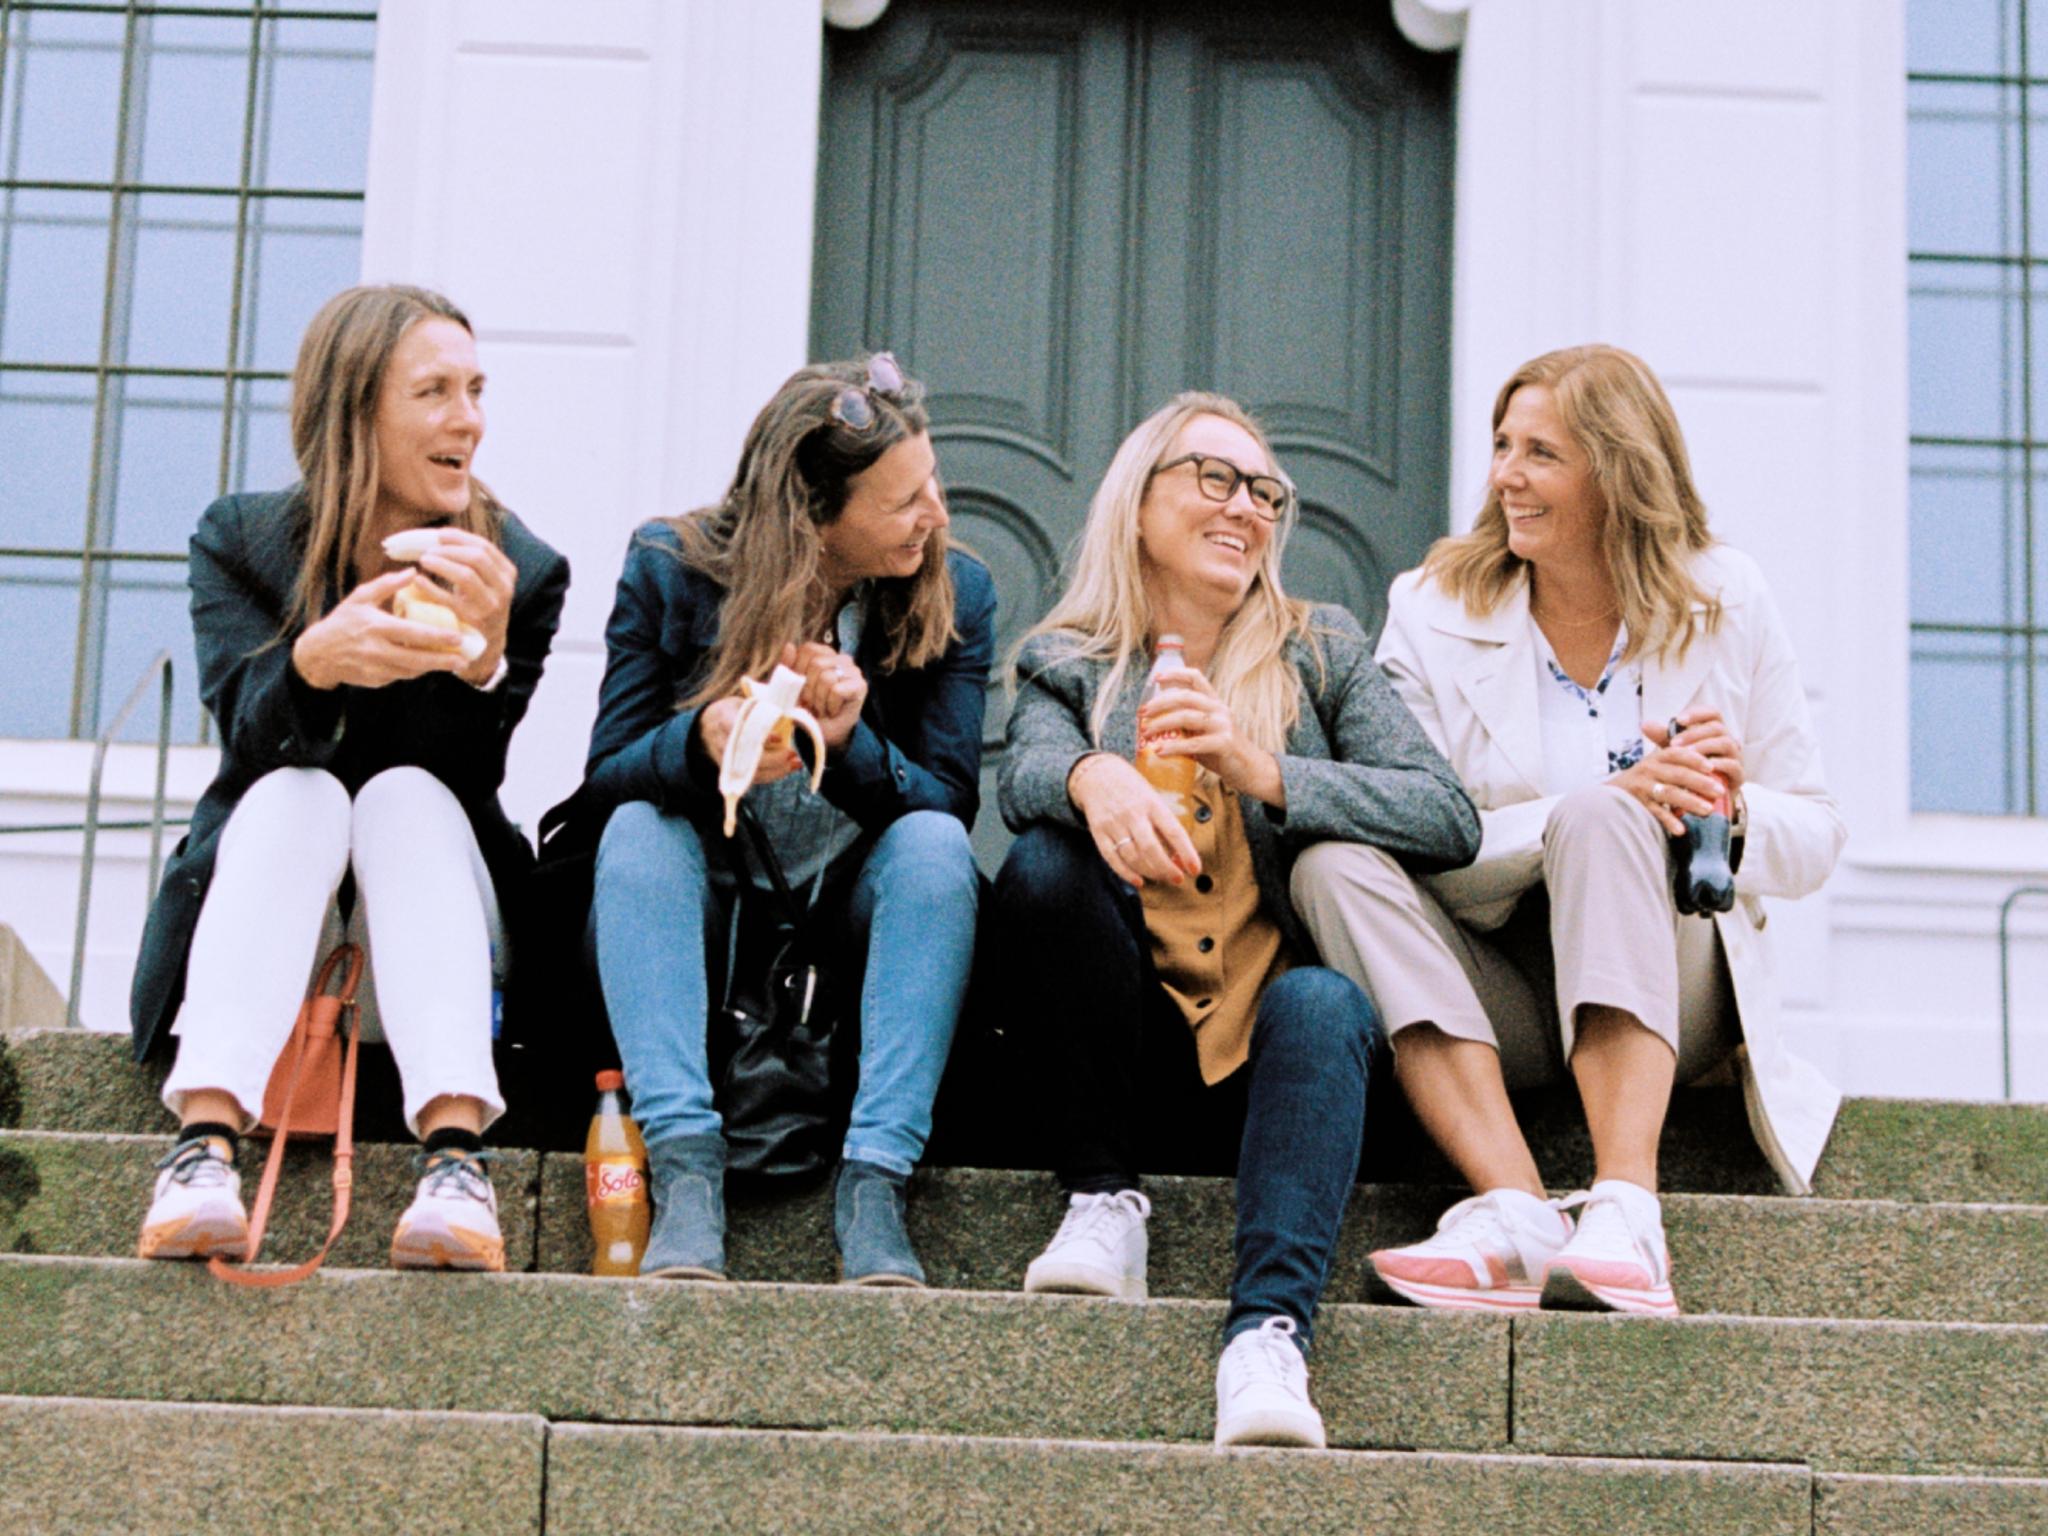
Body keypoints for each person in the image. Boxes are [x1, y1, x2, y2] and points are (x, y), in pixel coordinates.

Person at [1292, 343, 1846, 1318]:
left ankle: (1626, 1212)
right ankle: (1511, 1208)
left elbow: (1817, 836)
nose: (1503, 473)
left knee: (1605, 816)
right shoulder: (1427, 609)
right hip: (1495, 975)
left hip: (1672, 981)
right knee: (1330, 864)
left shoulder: (1727, 598)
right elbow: (1417, 825)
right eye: (1502, 445)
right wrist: (1599, 797)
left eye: (1538, 453)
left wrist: (1723, 804)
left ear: (1616, 471)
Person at [993, 392, 1479, 1449]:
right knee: (1040, 866)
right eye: (1212, 477)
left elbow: (1446, 814)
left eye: (1263, 491)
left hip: (1286, 1071)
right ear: (1138, 504)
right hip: (1135, 1062)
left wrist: (1265, 771)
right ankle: (1102, 1204)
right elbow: (1021, 775)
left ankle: (1266, 1336)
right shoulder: (1069, 664)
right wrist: (1090, 776)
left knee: (1321, 997)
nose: (1246, 507)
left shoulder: (1322, 654)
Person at [130, 284, 570, 1271]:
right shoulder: (241, 541)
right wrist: (311, 666)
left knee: (407, 795)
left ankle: (457, 1160)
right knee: (298, 791)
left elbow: (469, 777)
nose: (470, 419)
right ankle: (203, 1148)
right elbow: (247, 743)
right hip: (269, 943)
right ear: (357, 408)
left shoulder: (522, 570)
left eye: (475, 389)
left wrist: (482, 664)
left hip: (438, 957)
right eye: (435, 392)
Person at [580, 352, 993, 1287]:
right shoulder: (669, 568)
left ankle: (876, 1184)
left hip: (848, 917)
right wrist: (702, 739)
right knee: (640, 827)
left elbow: (950, 802)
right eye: (903, 502)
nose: (934, 516)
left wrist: (849, 750)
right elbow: (604, 777)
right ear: (813, 514)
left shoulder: (957, 593)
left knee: (931, 844)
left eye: (933, 485)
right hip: (709, 907)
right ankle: (684, 1176)